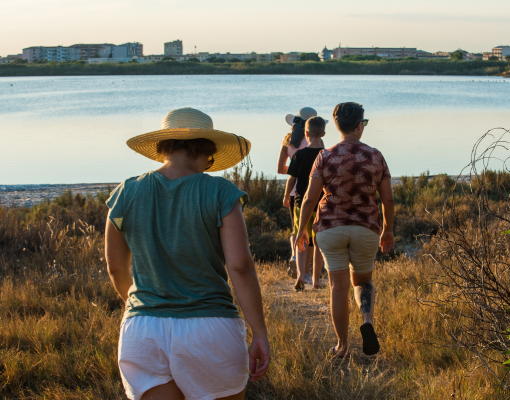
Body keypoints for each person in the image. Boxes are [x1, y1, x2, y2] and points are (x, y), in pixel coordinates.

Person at [104, 107, 270, 400]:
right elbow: (240, 266)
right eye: (212, 158)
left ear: (162, 148)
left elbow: (116, 268)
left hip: (142, 330)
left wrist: (144, 305)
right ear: (205, 151)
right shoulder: (220, 191)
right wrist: (259, 333)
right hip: (209, 327)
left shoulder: (126, 192)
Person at [295, 102, 395, 358]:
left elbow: (309, 198)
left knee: (338, 287)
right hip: (366, 228)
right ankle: (367, 322)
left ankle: (342, 345)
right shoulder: (376, 155)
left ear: (337, 127)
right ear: (360, 126)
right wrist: (388, 230)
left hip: (331, 229)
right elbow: (388, 200)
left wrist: (301, 230)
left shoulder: (324, 156)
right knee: (363, 281)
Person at [277, 107, 326, 277]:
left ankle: (296, 260)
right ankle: (310, 272)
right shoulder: (321, 148)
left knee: (297, 230)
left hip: (295, 194)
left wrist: (295, 169)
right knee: (314, 236)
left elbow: (281, 170)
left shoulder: (289, 143)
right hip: (318, 194)